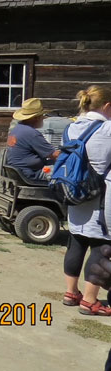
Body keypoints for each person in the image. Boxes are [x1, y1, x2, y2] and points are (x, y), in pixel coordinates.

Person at [60, 86, 111, 316]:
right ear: (107, 107)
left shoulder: (71, 127)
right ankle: (90, 300)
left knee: (77, 240)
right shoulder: (108, 129)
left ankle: (71, 292)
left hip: (75, 192)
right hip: (101, 196)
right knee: (102, 247)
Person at [6, 98, 60, 182]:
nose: (43, 118)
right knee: (64, 171)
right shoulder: (32, 134)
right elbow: (55, 155)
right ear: (36, 118)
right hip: (32, 174)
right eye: (42, 116)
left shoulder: (16, 129)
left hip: (18, 172)